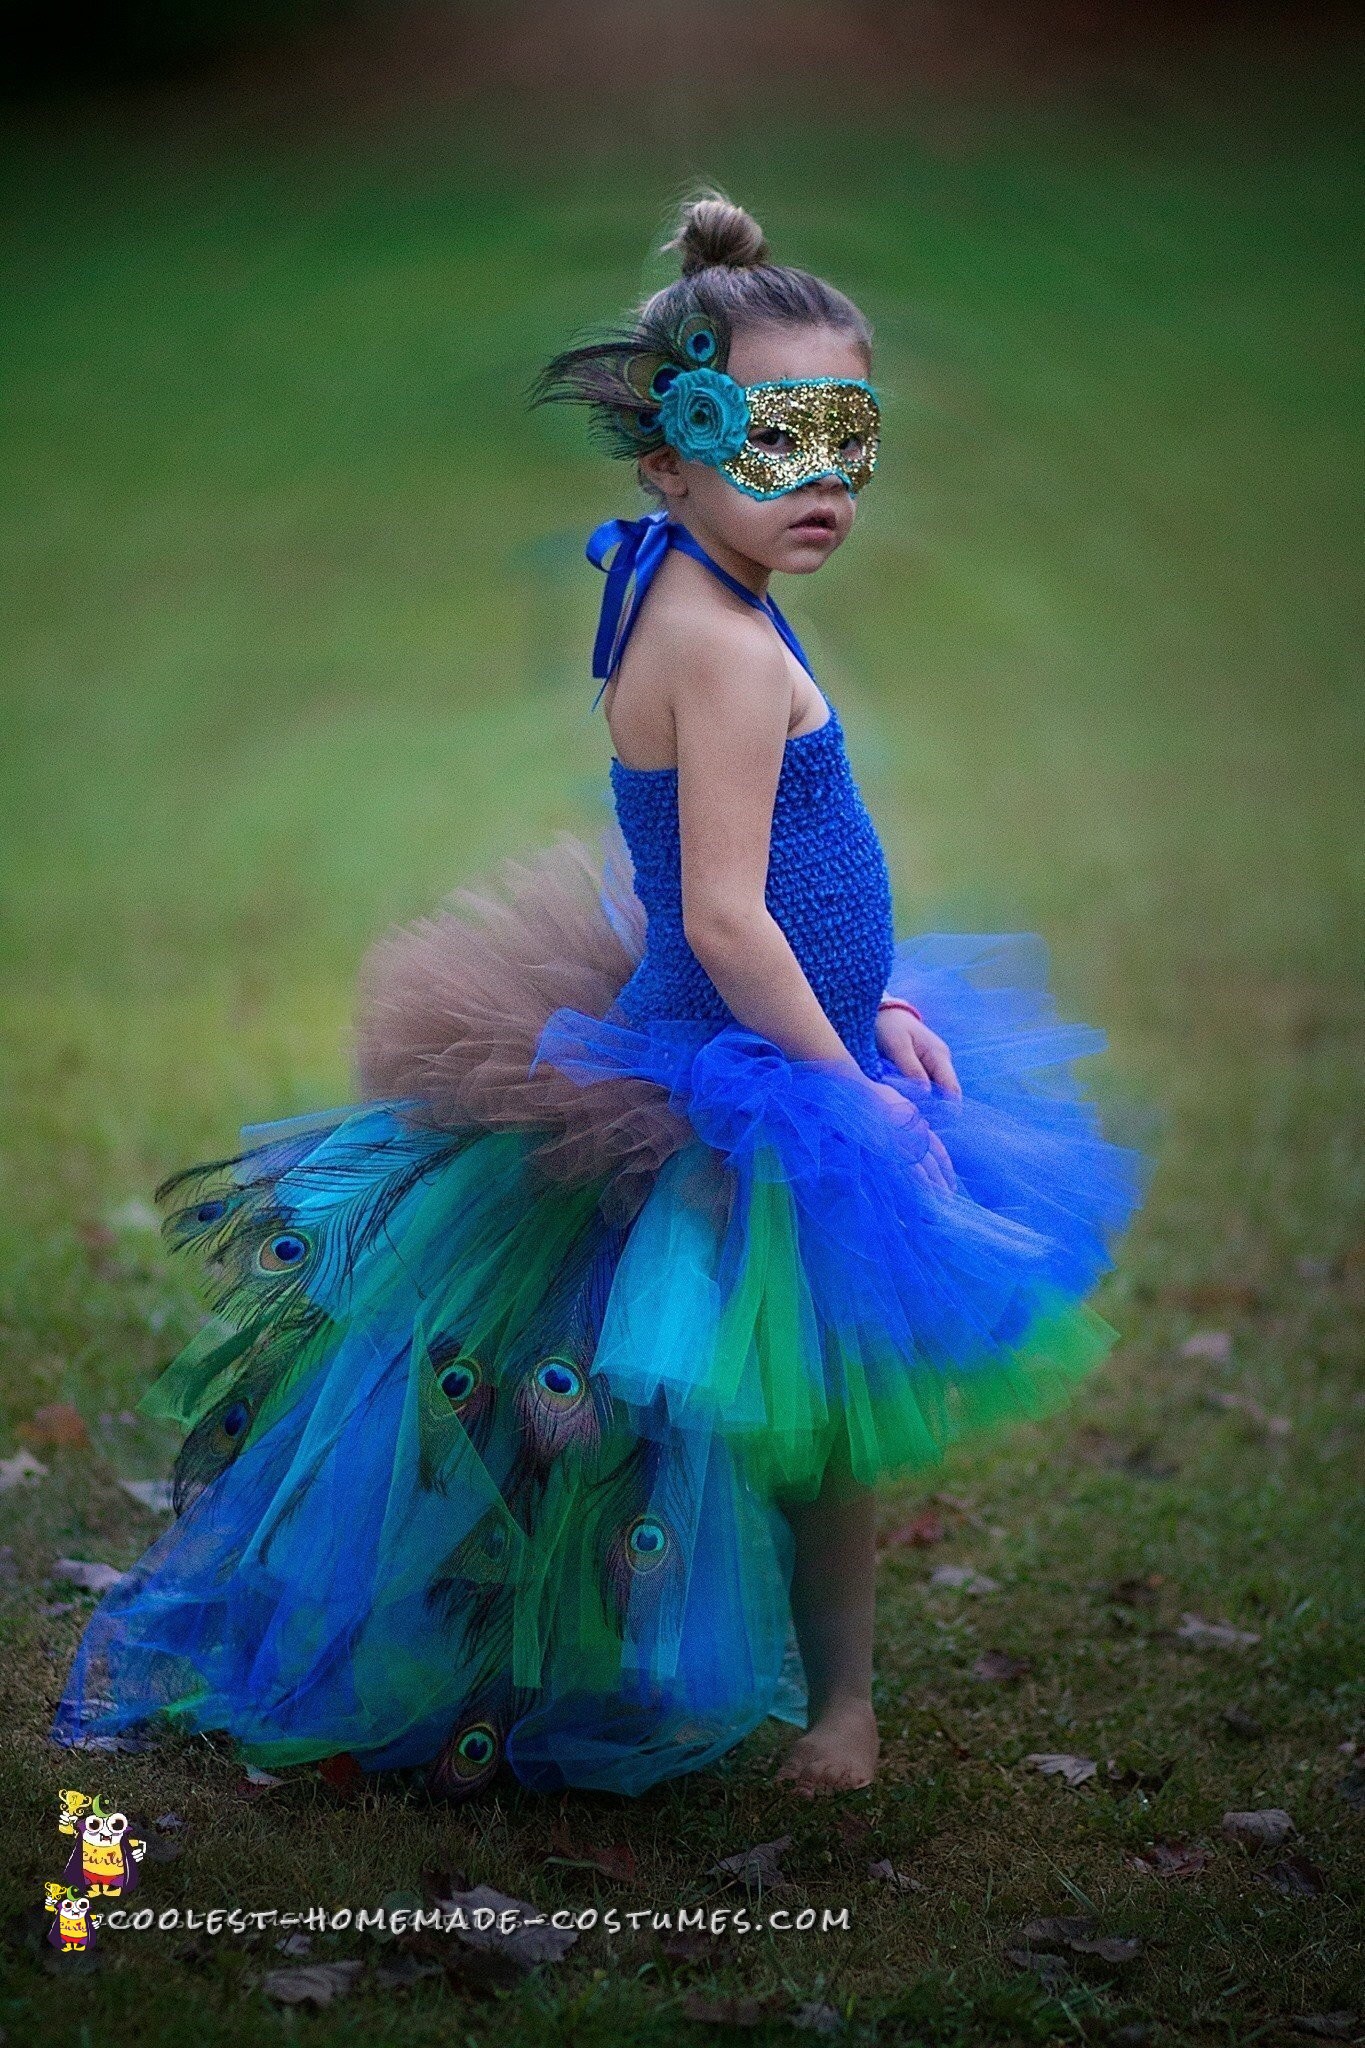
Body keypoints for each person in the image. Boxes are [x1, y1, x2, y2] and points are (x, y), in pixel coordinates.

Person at [53, 191, 1145, 1800]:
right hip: (732, 1068)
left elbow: (777, 872)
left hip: (772, 1041)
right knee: (724, 1419)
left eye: (850, 435)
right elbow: (720, 909)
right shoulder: (715, 641)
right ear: (668, 457)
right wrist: (841, 1083)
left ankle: (827, 1705)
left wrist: (879, 999)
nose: (824, 477)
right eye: (776, 437)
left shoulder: (677, 581)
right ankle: (752, 1693)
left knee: (774, 1407)